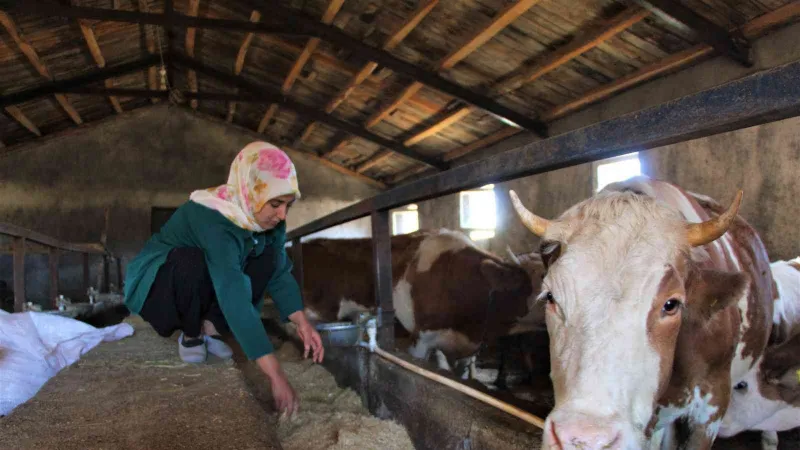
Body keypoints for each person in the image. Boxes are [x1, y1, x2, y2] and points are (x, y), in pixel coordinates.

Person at [123, 141, 324, 415]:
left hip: (209, 276)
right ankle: (191, 333)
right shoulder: (212, 216)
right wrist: (275, 374)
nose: (282, 215)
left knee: (265, 255)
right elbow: (231, 289)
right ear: (250, 191)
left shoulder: (267, 220)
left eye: (288, 205)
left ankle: (211, 326)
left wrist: (301, 320)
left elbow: (277, 269)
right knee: (192, 261)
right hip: (161, 285)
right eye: (276, 204)